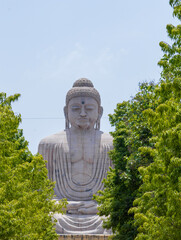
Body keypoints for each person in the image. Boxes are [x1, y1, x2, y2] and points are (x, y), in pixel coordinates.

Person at [38, 78, 113, 234]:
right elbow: (40, 195)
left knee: (111, 223)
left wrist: (101, 206)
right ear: (66, 112)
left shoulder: (113, 144)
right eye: (76, 109)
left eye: (90, 109)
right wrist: (62, 205)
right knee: (49, 221)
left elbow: (120, 194)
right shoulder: (48, 144)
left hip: (98, 213)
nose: (83, 113)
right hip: (62, 213)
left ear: (100, 112)